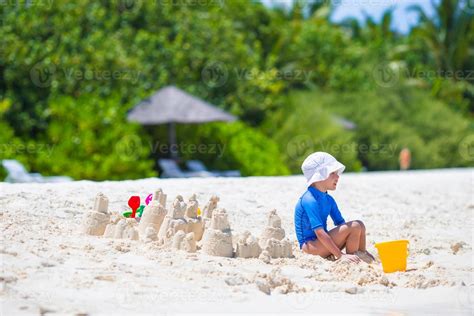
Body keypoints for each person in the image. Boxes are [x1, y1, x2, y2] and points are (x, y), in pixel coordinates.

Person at [294, 152, 375, 263]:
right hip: (311, 247)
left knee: (359, 224)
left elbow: (341, 225)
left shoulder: (329, 199)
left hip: (322, 243)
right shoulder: (309, 200)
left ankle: (360, 253)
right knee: (355, 226)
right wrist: (340, 255)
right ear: (319, 176)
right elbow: (319, 232)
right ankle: (350, 259)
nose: (337, 176)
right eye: (332, 173)